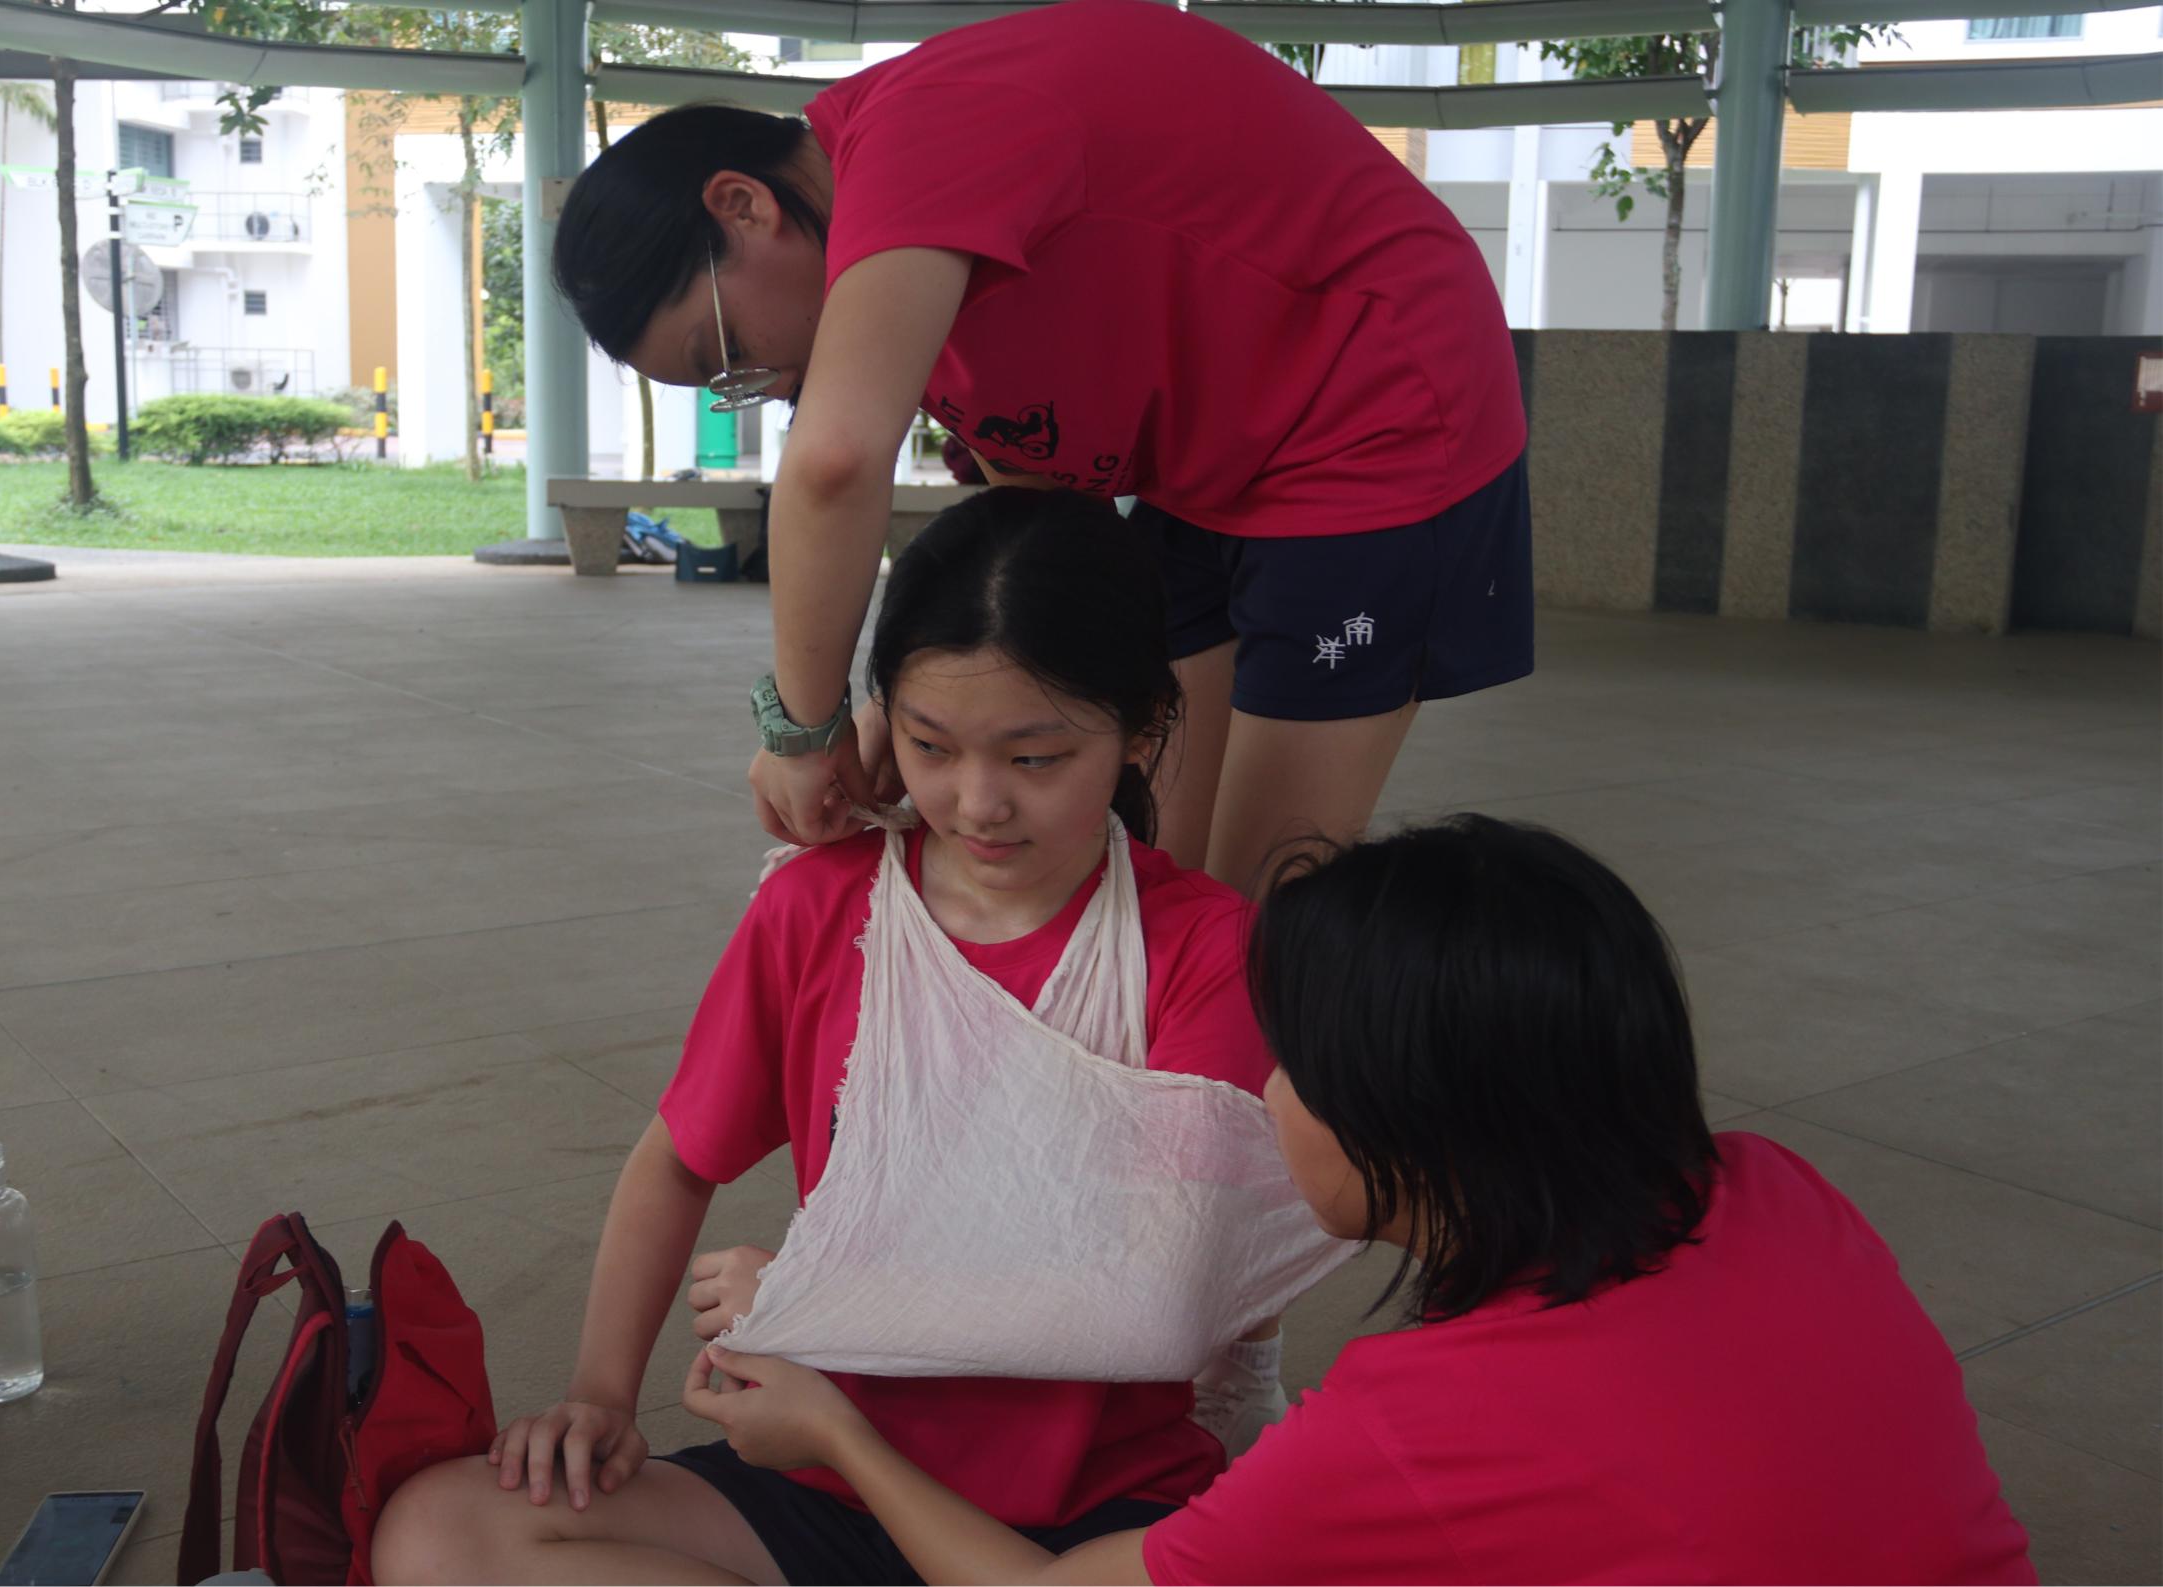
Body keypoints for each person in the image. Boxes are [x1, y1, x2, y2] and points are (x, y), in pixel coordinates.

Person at [369, 488, 1340, 1587]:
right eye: (931, 745)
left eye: (1035, 759)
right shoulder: (822, 906)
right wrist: (599, 1394)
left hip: (1087, 1513)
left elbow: (1154, 1303)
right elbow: (676, 1161)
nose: (976, 802)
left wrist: (823, 1294)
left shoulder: (1206, 950)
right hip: (818, 1466)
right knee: (436, 1534)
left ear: (1143, 730)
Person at [682, 816, 2038, 1586]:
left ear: (1406, 1130)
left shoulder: (1416, 1428)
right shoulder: (1771, 1185)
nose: (1259, 1096)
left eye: (1287, 1069)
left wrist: (837, 1427)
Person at [550, 0, 1531, 895]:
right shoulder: (908, 283)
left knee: (1255, 902)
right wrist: (904, 699)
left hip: (1375, 416)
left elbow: (837, 462)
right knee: (1156, 876)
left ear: (743, 204)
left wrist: (802, 730)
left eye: (725, 353)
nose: (762, 385)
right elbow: (1043, 514)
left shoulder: (922, 134)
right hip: (1210, 468)